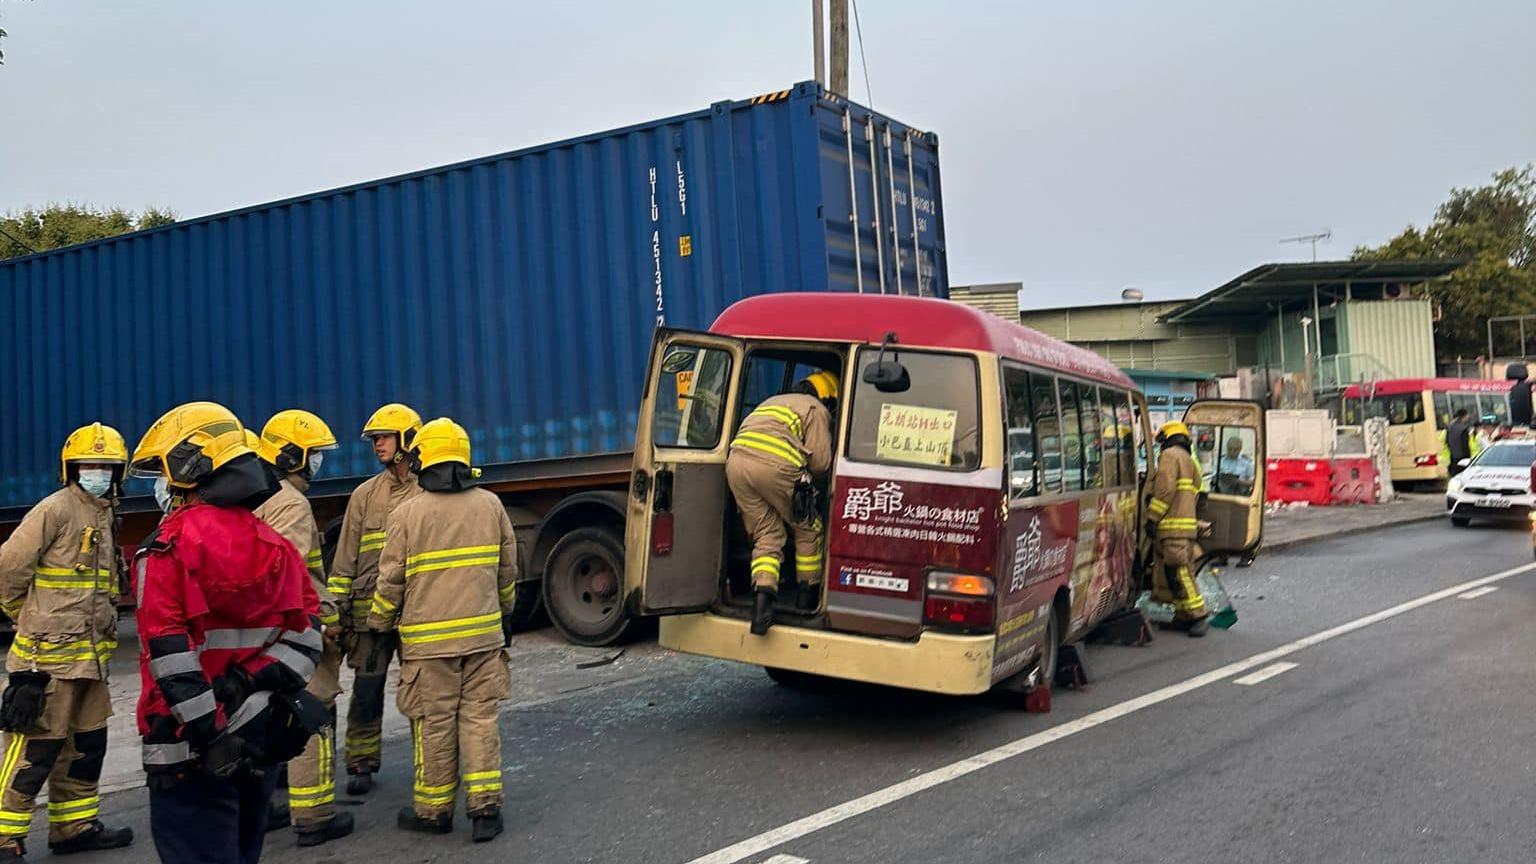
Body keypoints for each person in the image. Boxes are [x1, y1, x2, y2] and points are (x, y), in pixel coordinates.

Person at [129, 402, 324, 864]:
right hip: (258, 743)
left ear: (187, 467)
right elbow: (308, 637)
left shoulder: (165, 548)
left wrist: (211, 736)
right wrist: (249, 687)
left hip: (189, 753)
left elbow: (170, 658)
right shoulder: (273, 542)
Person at [365, 418, 516, 842]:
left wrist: (378, 625)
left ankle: (434, 811)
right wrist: (505, 615)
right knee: (480, 719)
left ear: (421, 459)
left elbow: (390, 580)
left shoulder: (407, 513)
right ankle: (485, 811)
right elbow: (508, 573)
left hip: (428, 647)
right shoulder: (491, 505)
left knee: (436, 724)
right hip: (484, 639)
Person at [0, 424, 135, 863]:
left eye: (105, 466)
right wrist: (28, 619)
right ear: (71, 469)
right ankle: (4, 835)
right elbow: (8, 571)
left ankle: (73, 828)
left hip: (90, 663)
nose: (96, 472)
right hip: (47, 662)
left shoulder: (105, 515)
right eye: (88, 466)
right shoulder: (54, 510)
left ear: (118, 472)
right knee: (34, 750)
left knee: (86, 747)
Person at [250, 411, 352, 847]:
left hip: (257, 633)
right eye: (314, 456)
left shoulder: (253, 496)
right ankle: (314, 817)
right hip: (296, 631)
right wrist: (326, 621)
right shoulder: (290, 503)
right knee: (312, 717)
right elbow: (288, 573)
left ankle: (259, 808)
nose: (317, 465)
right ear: (290, 455)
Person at [329, 403, 423, 794]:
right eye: (374, 439)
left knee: (421, 691)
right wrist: (338, 614)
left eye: (383, 437)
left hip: (417, 612)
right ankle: (361, 762)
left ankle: (431, 764)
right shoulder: (364, 496)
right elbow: (345, 559)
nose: (377, 445)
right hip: (370, 617)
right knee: (366, 692)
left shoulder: (427, 490)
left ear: (407, 440)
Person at [724, 370, 837, 635]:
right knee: (808, 527)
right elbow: (821, 464)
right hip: (775, 467)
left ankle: (762, 605)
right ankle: (806, 595)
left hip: (736, 465)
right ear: (827, 397)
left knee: (767, 533)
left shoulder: (772, 402)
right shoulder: (816, 409)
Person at [1145, 421, 1208, 637]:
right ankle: (1183, 616)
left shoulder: (1170, 456)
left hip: (1172, 527)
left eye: (1161, 441)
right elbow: (1197, 487)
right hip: (1185, 528)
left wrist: (1152, 517)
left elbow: (1164, 490)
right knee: (1176, 572)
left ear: (1169, 439)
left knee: (1181, 573)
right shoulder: (1188, 459)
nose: (1160, 446)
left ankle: (1198, 615)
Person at [1444, 409, 1473, 476]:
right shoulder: (1463, 428)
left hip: (1453, 457)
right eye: (1467, 415)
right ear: (1464, 416)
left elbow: (1447, 442)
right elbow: (1465, 445)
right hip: (1463, 458)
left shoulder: (1450, 427)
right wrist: (1468, 458)